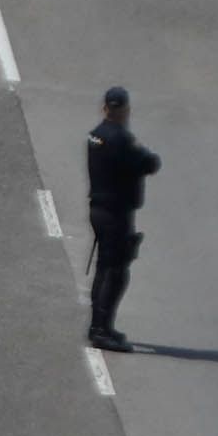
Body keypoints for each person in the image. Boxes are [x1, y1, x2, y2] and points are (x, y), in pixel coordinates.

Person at [85, 87, 161, 352]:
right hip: (116, 212)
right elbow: (150, 163)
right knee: (116, 272)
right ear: (125, 110)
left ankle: (100, 326)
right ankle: (100, 329)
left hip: (99, 208)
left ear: (105, 108)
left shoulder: (96, 135)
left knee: (104, 268)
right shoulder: (121, 139)